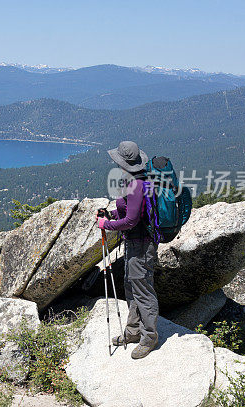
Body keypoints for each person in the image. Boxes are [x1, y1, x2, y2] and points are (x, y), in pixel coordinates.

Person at [96, 140, 159, 359]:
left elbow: (132, 220)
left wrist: (107, 225)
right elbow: (133, 211)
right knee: (131, 286)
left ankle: (149, 337)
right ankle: (133, 331)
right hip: (136, 242)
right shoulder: (139, 179)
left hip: (141, 244)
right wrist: (112, 214)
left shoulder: (135, 184)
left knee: (142, 289)